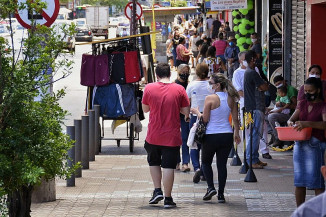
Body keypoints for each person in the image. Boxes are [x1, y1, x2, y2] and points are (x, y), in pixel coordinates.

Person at [142, 63, 190, 208]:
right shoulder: (179, 89)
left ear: (156, 75)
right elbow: (185, 111)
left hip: (153, 135)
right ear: (170, 74)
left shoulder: (149, 88)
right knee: (169, 166)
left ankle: (157, 190)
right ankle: (168, 199)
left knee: (154, 162)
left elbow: (145, 109)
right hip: (172, 136)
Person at [191, 73, 241, 203]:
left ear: (217, 85)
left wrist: (197, 112)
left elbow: (205, 119)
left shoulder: (210, 98)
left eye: (211, 83)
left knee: (206, 162)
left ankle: (210, 187)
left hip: (211, 135)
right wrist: (236, 134)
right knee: (221, 165)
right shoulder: (231, 98)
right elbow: (235, 119)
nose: (209, 86)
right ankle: (221, 194)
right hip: (227, 135)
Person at [287, 77, 326, 207]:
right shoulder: (302, 103)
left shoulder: (322, 106)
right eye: (306, 91)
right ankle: (300, 211)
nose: (308, 93)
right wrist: (291, 122)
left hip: (315, 145)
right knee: (299, 181)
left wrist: (307, 123)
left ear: (318, 90)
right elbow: (292, 118)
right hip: (300, 144)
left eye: (311, 91)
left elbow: (325, 124)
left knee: (317, 182)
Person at [233, 52, 272, 159]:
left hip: (256, 105)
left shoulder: (255, 70)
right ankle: (251, 156)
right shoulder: (241, 73)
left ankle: (261, 152)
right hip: (249, 105)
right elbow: (262, 87)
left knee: (260, 129)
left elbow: (263, 85)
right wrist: (256, 90)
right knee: (250, 130)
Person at [244, 50, 269, 169]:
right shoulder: (252, 73)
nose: (258, 59)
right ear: (252, 59)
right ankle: (251, 160)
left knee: (254, 134)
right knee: (255, 134)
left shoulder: (249, 72)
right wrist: (264, 84)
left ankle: (254, 158)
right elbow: (264, 86)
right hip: (255, 108)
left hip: (251, 107)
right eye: (256, 58)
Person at [186, 62, 211, 183]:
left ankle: (196, 167)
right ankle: (205, 170)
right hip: (209, 118)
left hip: (195, 117)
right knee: (206, 145)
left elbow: (187, 102)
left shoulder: (191, 85)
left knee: (194, 144)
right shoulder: (211, 85)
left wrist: (187, 115)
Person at [291, 152, 326, 217]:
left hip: (300, 144)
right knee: (318, 184)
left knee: (301, 182)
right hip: (315, 144)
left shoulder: (304, 210)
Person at [268, 75, 298, 147]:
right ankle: (274, 134)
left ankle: (278, 138)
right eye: (276, 85)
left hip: (291, 114)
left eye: (279, 83)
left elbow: (295, 106)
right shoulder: (279, 90)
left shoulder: (291, 90)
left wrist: (282, 104)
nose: (278, 85)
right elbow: (277, 104)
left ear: (284, 81)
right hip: (281, 112)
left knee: (271, 117)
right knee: (265, 116)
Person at [174, 64, 191, 172]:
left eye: (187, 71)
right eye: (183, 71)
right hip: (175, 115)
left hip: (186, 115)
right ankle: (176, 161)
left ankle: (185, 162)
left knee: (185, 138)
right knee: (175, 139)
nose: (185, 74)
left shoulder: (190, 85)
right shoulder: (174, 85)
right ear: (178, 72)